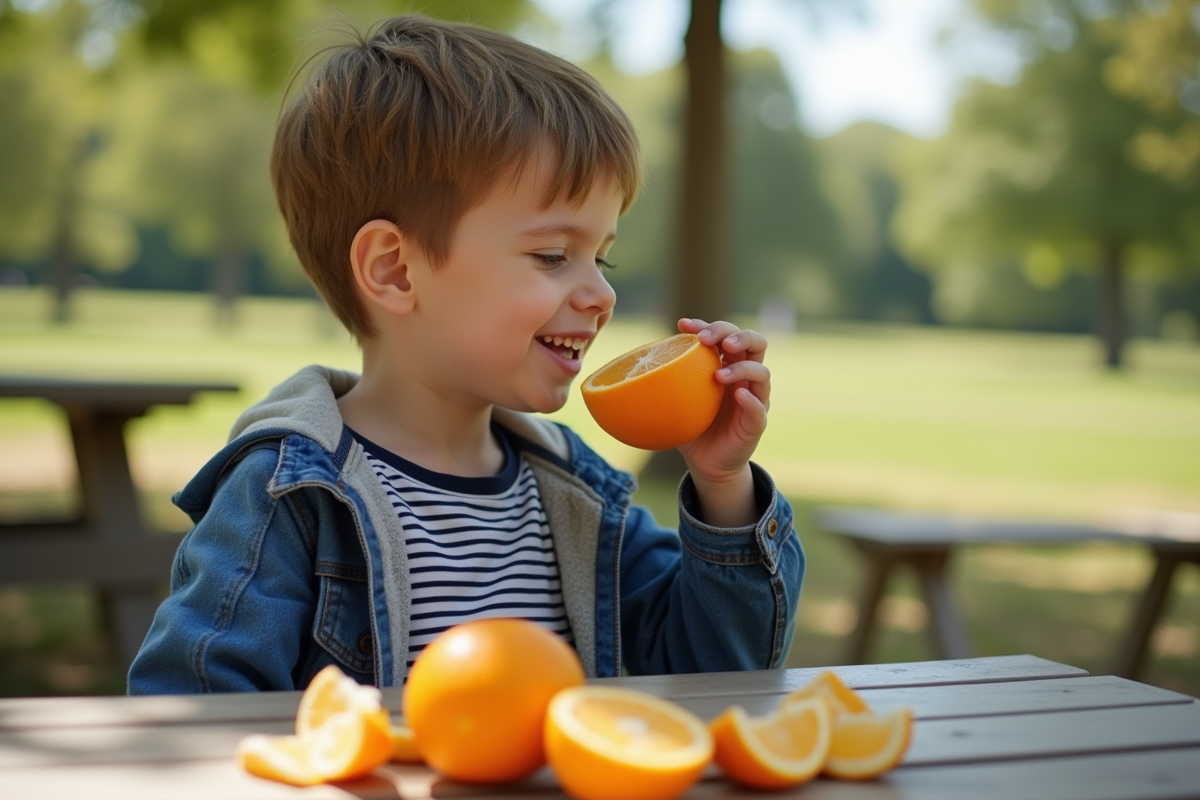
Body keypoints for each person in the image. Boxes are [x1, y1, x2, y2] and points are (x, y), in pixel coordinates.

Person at [128, 14, 803, 694]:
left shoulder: (569, 490)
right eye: (552, 255)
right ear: (395, 270)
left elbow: (721, 671)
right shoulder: (290, 494)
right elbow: (190, 710)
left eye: (602, 257)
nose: (600, 292)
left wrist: (723, 486)